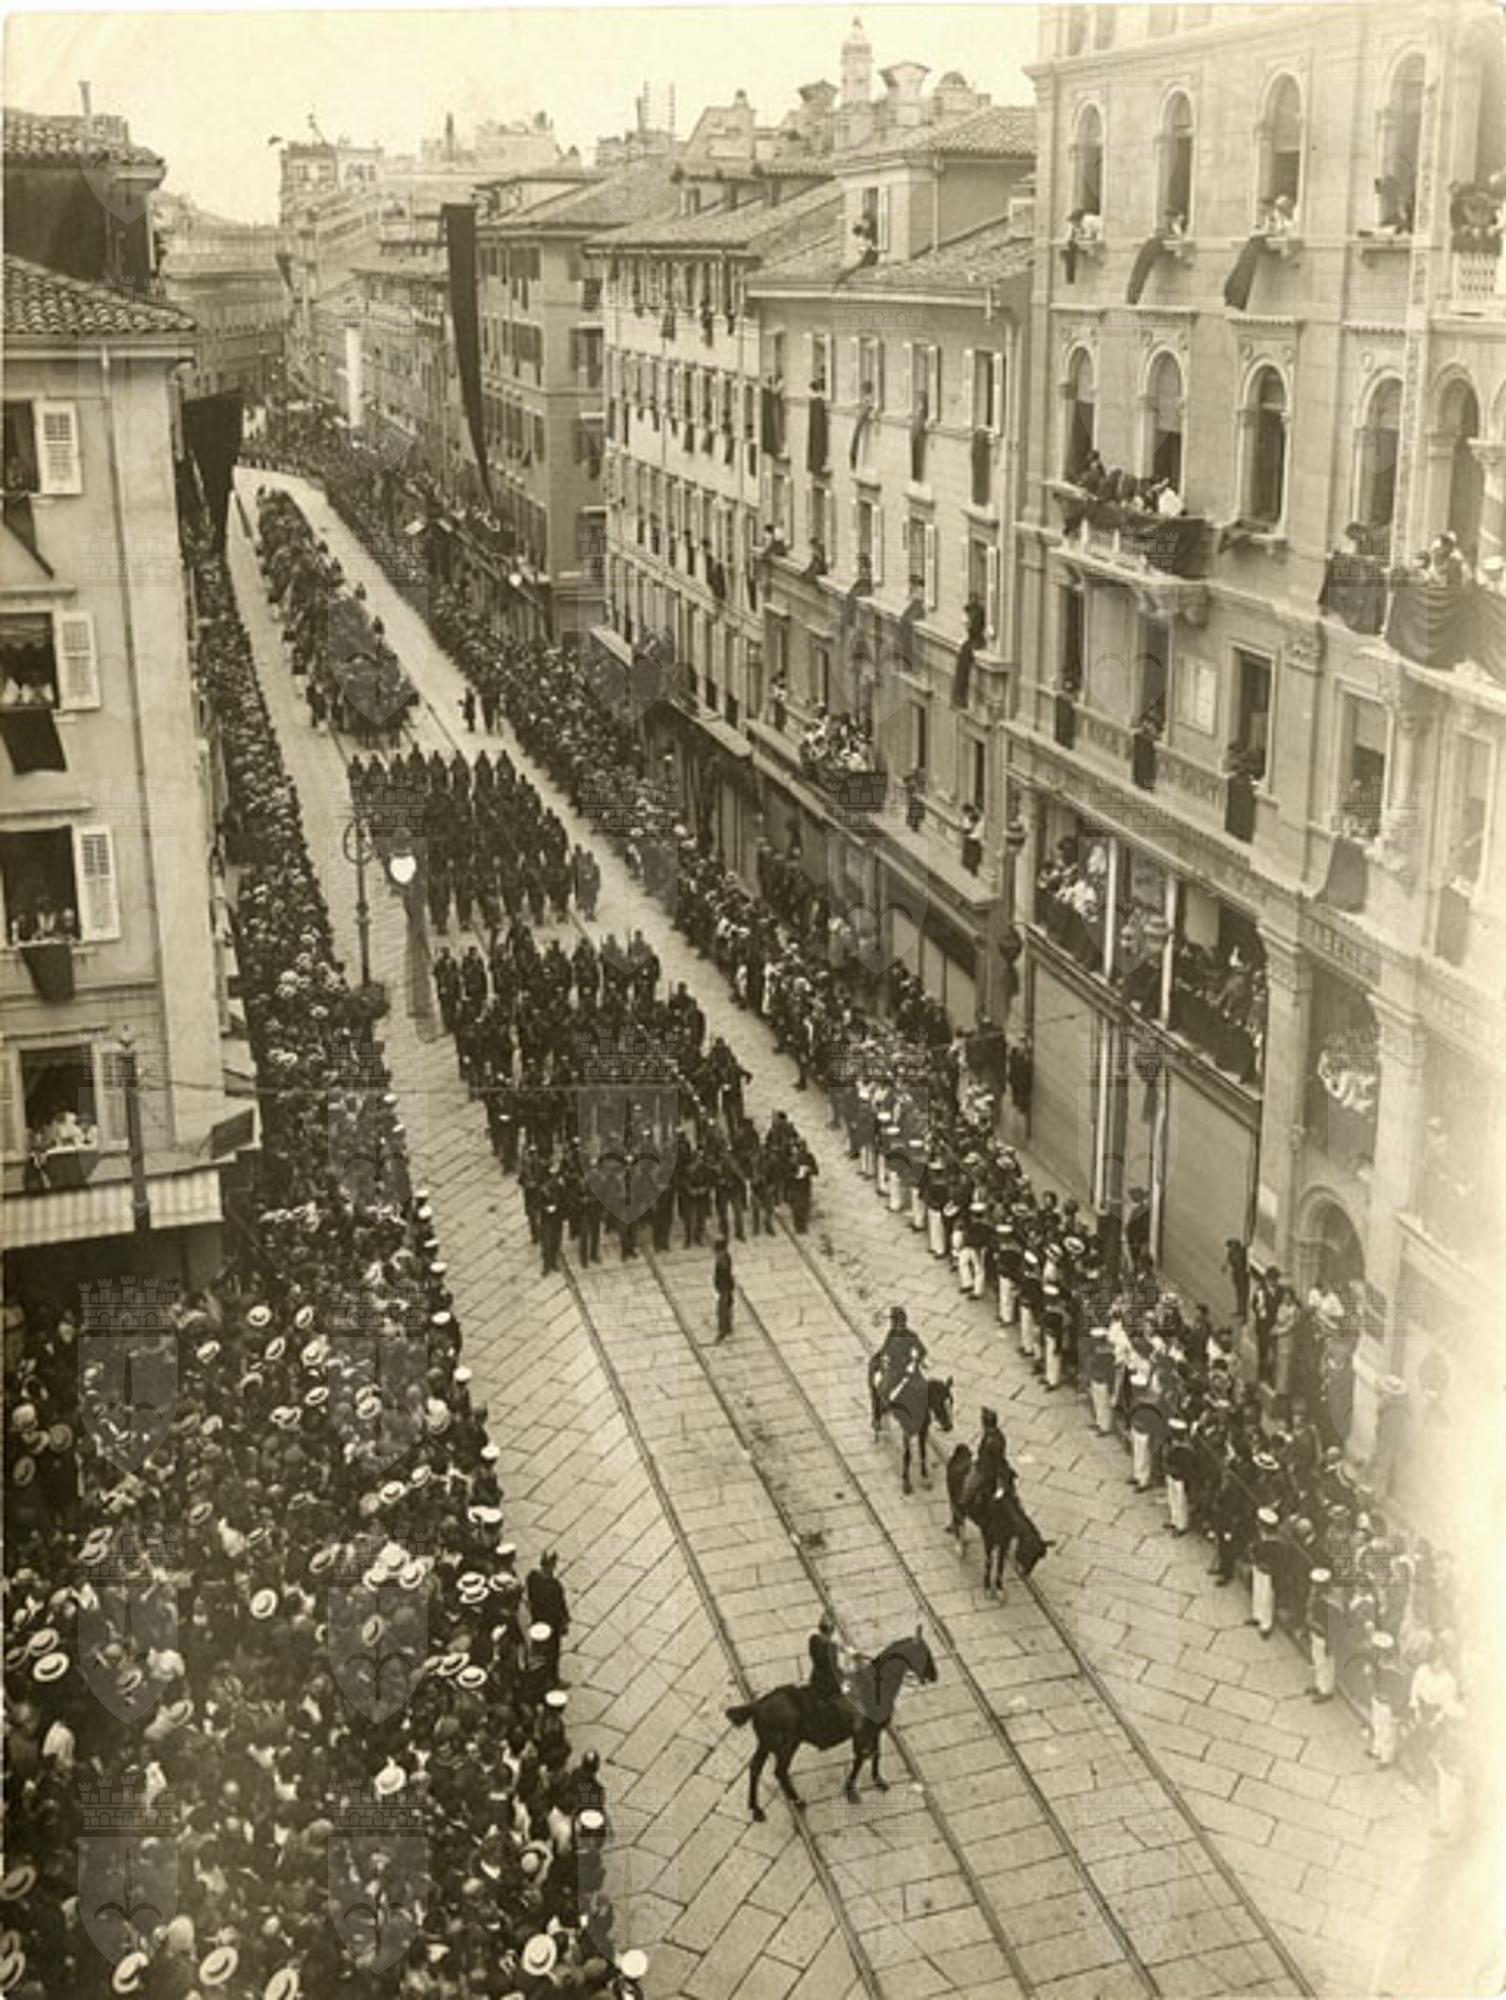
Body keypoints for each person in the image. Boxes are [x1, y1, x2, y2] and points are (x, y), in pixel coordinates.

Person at [525, 1550, 571, 1687]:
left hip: (537, 1620)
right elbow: (560, 1607)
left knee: (539, 1650)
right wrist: (564, 1622)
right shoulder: (554, 1585)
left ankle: (541, 1677)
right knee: (553, 1653)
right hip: (552, 1624)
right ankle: (553, 1679)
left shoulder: (532, 1577)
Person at [713, 1236, 735, 1341]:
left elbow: (723, 1274)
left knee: (722, 1309)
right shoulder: (725, 1257)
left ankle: (723, 1330)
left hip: (723, 1287)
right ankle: (728, 1327)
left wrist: (719, 1286)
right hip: (725, 1287)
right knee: (726, 1307)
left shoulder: (722, 1259)